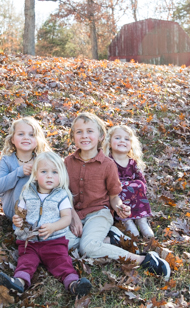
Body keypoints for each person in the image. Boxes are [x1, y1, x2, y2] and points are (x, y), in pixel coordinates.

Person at [64, 112, 171, 280]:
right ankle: (111, 239)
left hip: (99, 213)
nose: (84, 136)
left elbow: (114, 196)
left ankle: (144, 259)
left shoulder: (108, 165)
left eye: (89, 131)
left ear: (100, 136)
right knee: (61, 245)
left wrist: (120, 206)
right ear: (73, 136)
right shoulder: (67, 162)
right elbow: (63, 193)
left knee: (87, 248)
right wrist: (72, 217)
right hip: (73, 214)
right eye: (79, 132)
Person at [0, 152, 93, 298]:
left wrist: (53, 227)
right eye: (44, 172)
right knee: (26, 262)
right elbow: (20, 212)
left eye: (54, 172)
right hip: (30, 241)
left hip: (54, 242)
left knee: (62, 263)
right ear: (35, 174)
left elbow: (66, 218)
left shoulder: (61, 195)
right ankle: (18, 282)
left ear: (61, 175)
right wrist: (18, 220)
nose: (49, 176)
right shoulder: (27, 192)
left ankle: (74, 285)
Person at [0, 117, 50, 219]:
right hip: (15, 212)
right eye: (21, 134)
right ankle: (24, 225)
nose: (26, 138)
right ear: (12, 139)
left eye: (31, 135)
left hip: (40, 209)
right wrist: (18, 172)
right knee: (24, 179)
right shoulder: (7, 160)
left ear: (37, 140)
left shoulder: (41, 160)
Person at [103, 125, 154, 238]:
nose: (122, 141)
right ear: (109, 142)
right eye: (117, 138)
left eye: (126, 139)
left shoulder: (132, 162)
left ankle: (141, 220)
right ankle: (127, 221)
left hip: (134, 195)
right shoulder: (108, 162)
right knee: (121, 188)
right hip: (117, 195)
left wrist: (140, 186)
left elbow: (141, 179)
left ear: (131, 144)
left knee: (139, 185)